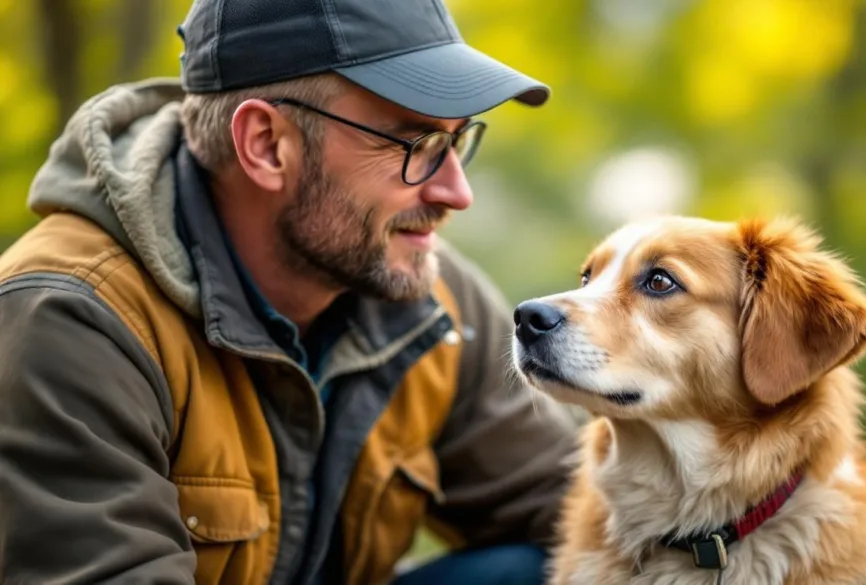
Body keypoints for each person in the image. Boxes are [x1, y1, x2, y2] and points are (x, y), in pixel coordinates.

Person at [0, 1, 579, 584]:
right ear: (266, 145)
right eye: (415, 145)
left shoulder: (433, 301)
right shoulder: (70, 320)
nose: (457, 192)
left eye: (456, 143)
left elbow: (587, 513)